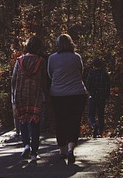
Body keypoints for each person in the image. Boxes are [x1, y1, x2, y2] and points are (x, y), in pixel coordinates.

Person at [48, 34, 87, 165]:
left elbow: (50, 74)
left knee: (60, 121)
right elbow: (80, 72)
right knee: (74, 122)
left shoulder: (52, 58)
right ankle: (71, 148)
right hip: (77, 93)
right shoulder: (76, 57)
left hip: (58, 94)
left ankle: (62, 150)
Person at [12, 36, 49, 160]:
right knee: (35, 123)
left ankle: (26, 145)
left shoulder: (19, 61)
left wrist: (14, 94)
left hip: (21, 95)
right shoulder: (41, 61)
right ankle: (34, 153)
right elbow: (44, 79)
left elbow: (14, 78)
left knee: (23, 120)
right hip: (36, 95)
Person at [85, 57, 110, 138]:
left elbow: (88, 85)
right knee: (101, 114)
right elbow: (108, 85)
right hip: (102, 97)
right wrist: (107, 95)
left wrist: (89, 92)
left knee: (91, 114)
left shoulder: (92, 73)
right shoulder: (105, 74)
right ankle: (100, 132)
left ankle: (93, 124)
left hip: (93, 96)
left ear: (93, 64)